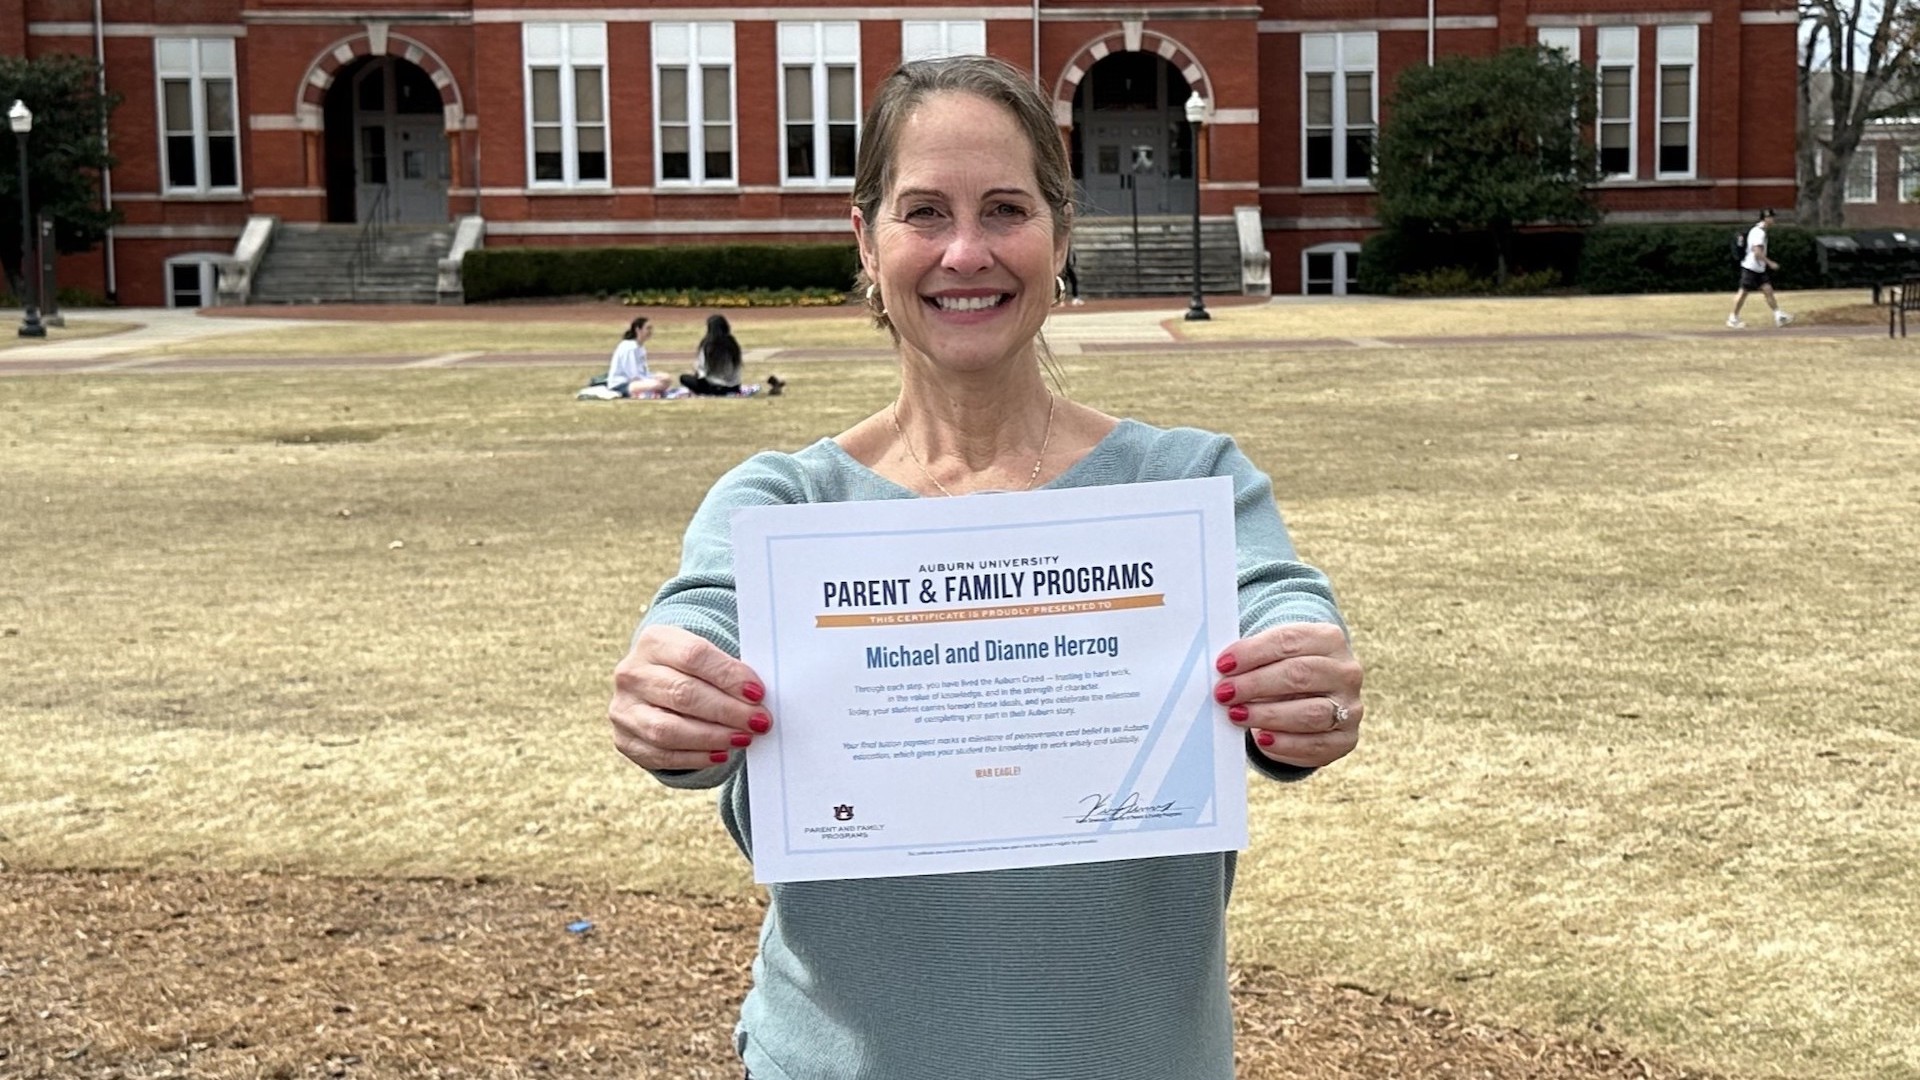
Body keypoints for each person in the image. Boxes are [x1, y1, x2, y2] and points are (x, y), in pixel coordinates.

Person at [606, 56, 1363, 1080]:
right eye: (925, 212)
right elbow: (699, 642)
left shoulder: (1187, 484)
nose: (967, 252)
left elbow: (1280, 608)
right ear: (866, 242)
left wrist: (1304, 679)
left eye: (1005, 209)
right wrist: (671, 701)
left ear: (1060, 233)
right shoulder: (784, 507)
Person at [678, 313, 786, 396]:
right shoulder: (733, 344)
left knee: (684, 378)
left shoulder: (707, 346)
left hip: (713, 388)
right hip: (734, 387)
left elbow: (702, 372)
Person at [1728, 209, 1792, 328]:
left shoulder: (1759, 230)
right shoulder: (1759, 233)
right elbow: (1757, 252)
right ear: (1766, 219)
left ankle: (1778, 315)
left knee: (1768, 290)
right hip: (1751, 267)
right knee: (1743, 293)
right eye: (1771, 218)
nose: (1773, 220)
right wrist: (1770, 263)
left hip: (1758, 268)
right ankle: (1733, 318)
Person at [603, 316, 673, 398]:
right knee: (658, 384)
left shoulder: (640, 347)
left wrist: (656, 376)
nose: (650, 332)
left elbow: (643, 371)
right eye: (648, 328)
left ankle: (651, 390)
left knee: (666, 379)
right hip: (622, 385)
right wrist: (651, 381)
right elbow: (633, 375)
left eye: (651, 329)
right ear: (638, 330)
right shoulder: (629, 347)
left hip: (638, 381)